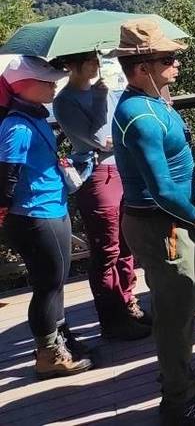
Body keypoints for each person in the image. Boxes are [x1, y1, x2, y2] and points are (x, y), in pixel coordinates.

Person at [110, 19, 195, 424]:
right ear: (141, 67)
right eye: (168, 58)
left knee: (176, 309)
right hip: (162, 225)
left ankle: (185, 383)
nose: (177, 63)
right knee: (174, 314)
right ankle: (180, 402)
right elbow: (162, 188)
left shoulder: (152, 101)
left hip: (166, 222)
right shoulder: (141, 117)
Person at [1, 56, 95, 379]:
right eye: (47, 82)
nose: (54, 86)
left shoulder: (34, 117)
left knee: (55, 283)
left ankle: (60, 340)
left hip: (50, 208)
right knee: (47, 286)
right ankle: (48, 354)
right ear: (23, 86)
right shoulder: (16, 127)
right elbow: (6, 178)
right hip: (35, 214)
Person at [52, 51, 150, 341]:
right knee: (107, 250)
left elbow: (120, 131)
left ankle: (129, 303)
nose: (97, 64)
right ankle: (112, 317)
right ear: (74, 64)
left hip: (122, 169)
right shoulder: (65, 101)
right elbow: (98, 139)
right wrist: (99, 99)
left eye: (97, 59)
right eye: (91, 61)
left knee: (126, 242)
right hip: (96, 174)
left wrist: (105, 103)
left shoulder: (104, 92)